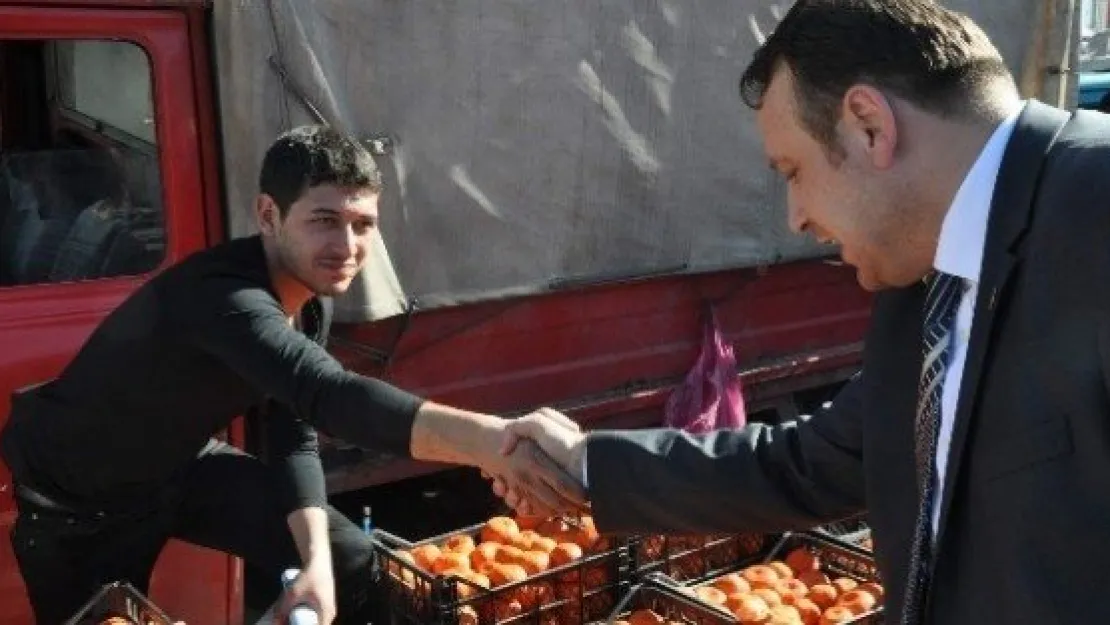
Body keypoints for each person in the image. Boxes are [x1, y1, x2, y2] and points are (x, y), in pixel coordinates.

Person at [491, 1, 1110, 623]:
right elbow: (808, 466)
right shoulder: (922, 270)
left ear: (869, 126)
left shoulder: (1095, 208)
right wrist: (584, 461)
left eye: (793, 171)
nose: (795, 218)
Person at [0, 125, 585, 625]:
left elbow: (294, 432)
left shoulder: (306, 301)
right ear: (268, 214)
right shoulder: (222, 295)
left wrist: (313, 567)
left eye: (363, 224)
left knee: (350, 556)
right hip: (80, 506)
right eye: (325, 220)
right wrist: (493, 440)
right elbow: (329, 394)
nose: (347, 246)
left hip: (180, 468)